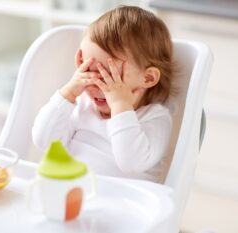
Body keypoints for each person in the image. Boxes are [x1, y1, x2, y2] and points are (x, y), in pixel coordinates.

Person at [32, 6, 174, 182]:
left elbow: (130, 163)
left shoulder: (155, 118)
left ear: (148, 78)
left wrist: (120, 106)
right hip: (71, 193)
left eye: (109, 76)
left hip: (122, 203)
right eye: (89, 71)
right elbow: (43, 141)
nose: (96, 84)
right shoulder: (82, 105)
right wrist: (68, 93)